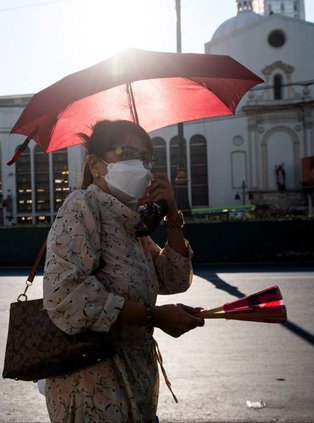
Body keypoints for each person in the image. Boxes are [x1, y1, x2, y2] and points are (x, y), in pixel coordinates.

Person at [42, 120, 205, 423]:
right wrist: (154, 315)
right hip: (93, 386)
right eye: (126, 153)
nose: (140, 166)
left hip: (138, 380)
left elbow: (174, 278)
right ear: (95, 164)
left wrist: (172, 216)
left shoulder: (132, 221)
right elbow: (66, 296)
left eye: (145, 158)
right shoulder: (82, 207)